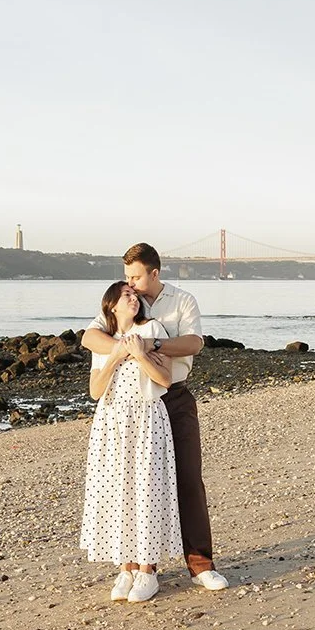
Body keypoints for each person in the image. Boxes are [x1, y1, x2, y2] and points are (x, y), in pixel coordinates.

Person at [81, 243, 229, 591]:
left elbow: (194, 343)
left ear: (154, 273)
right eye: (126, 277)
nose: (130, 283)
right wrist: (125, 349)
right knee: (137, 484)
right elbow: (90, 337)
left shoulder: (181, 300)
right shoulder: (123, 300)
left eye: (135, 277)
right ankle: (142, 568)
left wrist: (150, 345)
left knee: (188, 479)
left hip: (173, 397)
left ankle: (201, 566)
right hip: (130, 406)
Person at [80, 281, 181, 603]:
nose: (133, 298)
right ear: (111, 305)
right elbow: (95, 391)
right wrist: (115, 355)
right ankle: (126, 568)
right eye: (126, 295)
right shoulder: (104, 339)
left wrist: (139, 355)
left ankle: (148, 571)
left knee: (147, 489)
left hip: (147, 417)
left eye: (135, 295)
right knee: (117, 490)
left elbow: (165, 379)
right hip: (111, 421)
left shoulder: (152, 329)